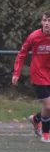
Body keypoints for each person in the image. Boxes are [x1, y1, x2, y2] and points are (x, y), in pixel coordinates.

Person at [12, 11, 50, 142]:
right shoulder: (34, 36)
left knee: (48, 107)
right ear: (41, 22)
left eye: (49, 21)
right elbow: (22, 54)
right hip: (39, 75)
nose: (47, 23)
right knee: (49, 106)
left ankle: (36, 119)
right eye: (45, 20)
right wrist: (16, 72)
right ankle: (46, 134)